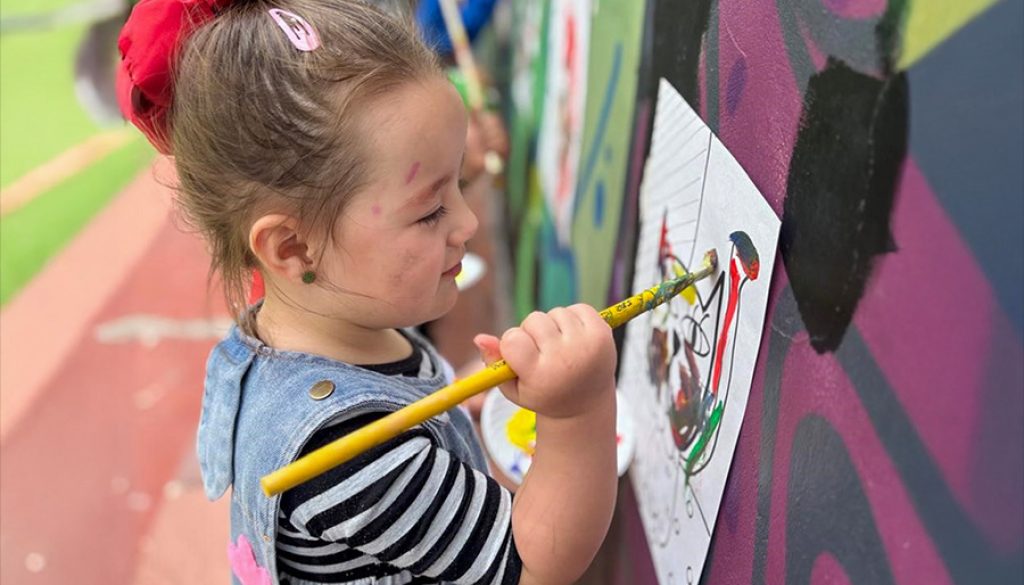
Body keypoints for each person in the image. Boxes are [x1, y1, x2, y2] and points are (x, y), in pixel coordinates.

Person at [116, 1, 618, 583]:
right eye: (430, 210)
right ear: (294, 248)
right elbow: (530, 568)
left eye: (459, 182)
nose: (467, 223)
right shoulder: (349, 449)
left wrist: (449, 413)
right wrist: (577, 412)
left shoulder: (308, 331)